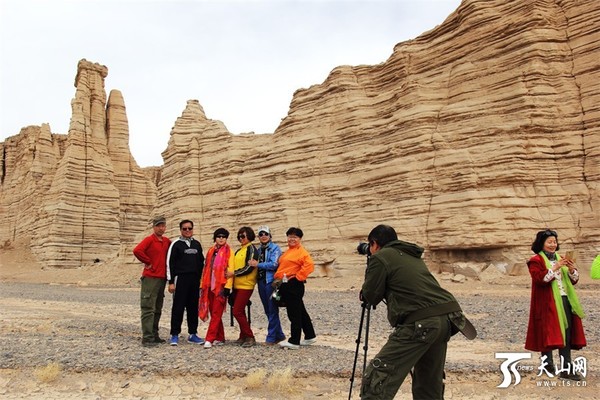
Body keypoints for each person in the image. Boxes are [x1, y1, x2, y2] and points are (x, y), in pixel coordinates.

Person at [360, 224, 473, 400]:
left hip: (422, 323)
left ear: (374, 243)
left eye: (370, 246)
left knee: (378, 373)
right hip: (449, 319)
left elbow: (371, 296)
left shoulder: (381, 257)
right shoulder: (412, 256)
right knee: (428, 383)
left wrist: (370, 274)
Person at [525, 229, 586, 380]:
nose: (553, 245)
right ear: (542, 244)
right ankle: (548, 365)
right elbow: (540, 279)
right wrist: (555, 268)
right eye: (550, 242)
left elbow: (573, 280)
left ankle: (566, 369)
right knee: (548, 332)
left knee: (566, 333)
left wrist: (571, 269)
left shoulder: (561, 258)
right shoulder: (535, 261)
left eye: (555, 242)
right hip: (546, 302)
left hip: (565, 300)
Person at [274, 227, 317, 350]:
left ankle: (294, 341)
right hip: (286, 283)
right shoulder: (289, 251)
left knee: (294, 313)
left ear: (300, 239)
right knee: (301, 311)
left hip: (293, 284)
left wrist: (298, 277)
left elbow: (309, 265)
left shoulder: (301, 252)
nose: (292, 239)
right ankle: (310, 335)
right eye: (290, 236)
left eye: (295, 237)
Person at [132, 216, 172, 347]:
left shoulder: (166, 241)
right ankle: (147, 337)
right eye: (159, 226)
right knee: (148, 307)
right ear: (154, 227)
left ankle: (155, 335)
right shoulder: (149, 239)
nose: (161, 228)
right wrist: (148, 262)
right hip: (150, 277)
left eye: (163, 226)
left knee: (157, 308)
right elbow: (137, 250)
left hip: (162, 278)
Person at [166, 219, 205, 346]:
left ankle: (193, 334)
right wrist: (171, 282)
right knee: (178, 307)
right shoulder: (176, 244)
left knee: (193, 307)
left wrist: (201, 281)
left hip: (194, 280)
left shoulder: (197, 244)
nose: (187, 231)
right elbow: (170, 263)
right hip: (181, 279)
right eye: (185, 229)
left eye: (189, 228)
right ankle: (174, 334)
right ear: (181, 230)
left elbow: (201, 263)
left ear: (193, 229)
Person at [248, 225, 285, 345]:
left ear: (270, 235)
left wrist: (258, 264)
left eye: (266, 234)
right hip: (261, 282)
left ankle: (271, 337)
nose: (263, 236)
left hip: (271, 282)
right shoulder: (258, 250)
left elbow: (274, 264)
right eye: (261, 234)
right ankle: (279, 335)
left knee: (272, 309)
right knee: (267, 310)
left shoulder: (275, 248)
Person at [200, 228, 234, 349]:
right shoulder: (210, 251)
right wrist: (202, 285)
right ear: (215, 238)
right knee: (213, 311)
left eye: (223, 236)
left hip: (220, 287)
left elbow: (230, 270)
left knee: (216, 313)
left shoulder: (229, 252)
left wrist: (228, 287)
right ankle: (220, 337)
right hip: (209, 286)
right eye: (218, 236)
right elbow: (206, 269)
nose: (221, 238)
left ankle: (209, 338)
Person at [231, 226, 259, 348]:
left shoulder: (252, 249)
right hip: (237, 285)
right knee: (240, 310)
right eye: (239, 236)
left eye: (243, 236)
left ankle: (250, 336)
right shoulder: (239, 251)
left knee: (236, 311)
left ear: (249, 236)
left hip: (246, 285)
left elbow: (249, 268)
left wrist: (234, 273)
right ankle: (243, 336)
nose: (241, 238)